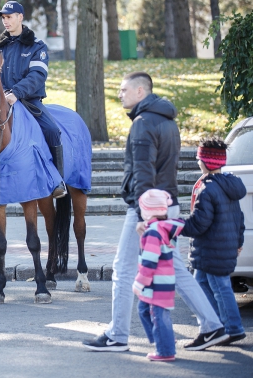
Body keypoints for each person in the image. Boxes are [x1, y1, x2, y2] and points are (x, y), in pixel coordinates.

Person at [83, 71, 228, 352]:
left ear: (141, 92)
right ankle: (213, 325)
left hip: (148, 209)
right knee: (175, 268)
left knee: (122, 270)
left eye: (124, 90)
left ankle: (118, 335)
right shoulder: (168, 122)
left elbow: (143, 171)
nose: (120, 94)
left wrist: (142, 217)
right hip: (168, 205)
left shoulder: (142, 123)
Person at [0, 1, 65, 198]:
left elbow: (37, 76)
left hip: (28, 101)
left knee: (52, 131)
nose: (6, 21)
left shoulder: (37, 47)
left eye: (9, 17)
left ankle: (57, 180)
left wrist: (16, 93)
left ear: (20, 17)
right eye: (3, 18)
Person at [182, 138, 247, 345]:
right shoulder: (228, 185)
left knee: (220, 288)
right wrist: (238, 241)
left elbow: (200, 223)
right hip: (221, 246)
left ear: (205, 162)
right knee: (200, 284)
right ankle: (215, 325)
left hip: (211, 248)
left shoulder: (207, 189)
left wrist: (177, 226)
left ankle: (232, 328)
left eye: (199, 157)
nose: (196, 160)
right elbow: (239, 218)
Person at [134, 189, 185, 362]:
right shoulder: (162, 228)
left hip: (155, 282)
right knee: (144, 310)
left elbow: (149, 262)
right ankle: (165, 339)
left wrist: (139, 283)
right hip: (163, 281)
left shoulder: (153, 232)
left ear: (148, 210)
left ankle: (165, 349)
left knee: (158, 315)